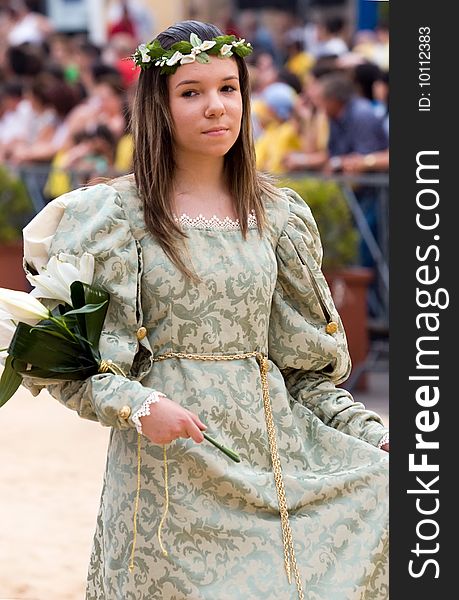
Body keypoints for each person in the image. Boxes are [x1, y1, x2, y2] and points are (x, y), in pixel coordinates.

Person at [20, 20, 388, 600]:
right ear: (158, 107)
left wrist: (370, 433)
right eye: (191, 92)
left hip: (272, 460)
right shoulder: (113, 217)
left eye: (229, 89)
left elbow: (304, 372)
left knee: (391, 490)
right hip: (171, 470)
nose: (216, 107)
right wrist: (141, 406)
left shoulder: (278, 216)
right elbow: (71, 366)